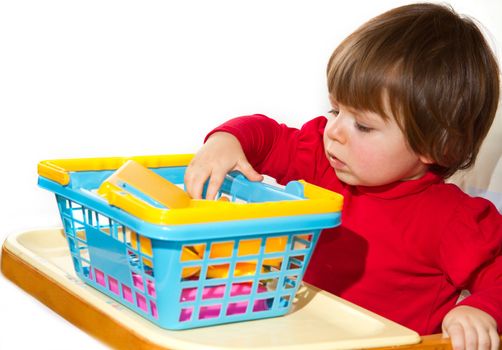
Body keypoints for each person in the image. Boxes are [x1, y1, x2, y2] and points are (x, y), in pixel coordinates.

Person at [184, 3, 502, 350]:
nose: (333, 131)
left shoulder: (454, 221)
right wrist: (225, 140)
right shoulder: (322, 161)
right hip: (293, 338)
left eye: (362, 125)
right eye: (335, 109)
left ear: (437, 144)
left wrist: (480, 309)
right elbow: (268, 137)